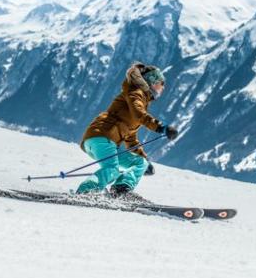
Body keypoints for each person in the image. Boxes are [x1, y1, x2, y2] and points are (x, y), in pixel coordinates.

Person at [74, 62, 179, 197]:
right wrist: (161, 127)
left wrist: (145, 161)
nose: (163, 87)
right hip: (101, 136)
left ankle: (120, 190)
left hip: (106, 140)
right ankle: (85, 192)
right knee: (112, 169)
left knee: (140, 162)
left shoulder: (141, 98)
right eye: (161, 82)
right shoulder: (135, 93)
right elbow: (138, 113)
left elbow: (130, 138)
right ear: (152, 82)